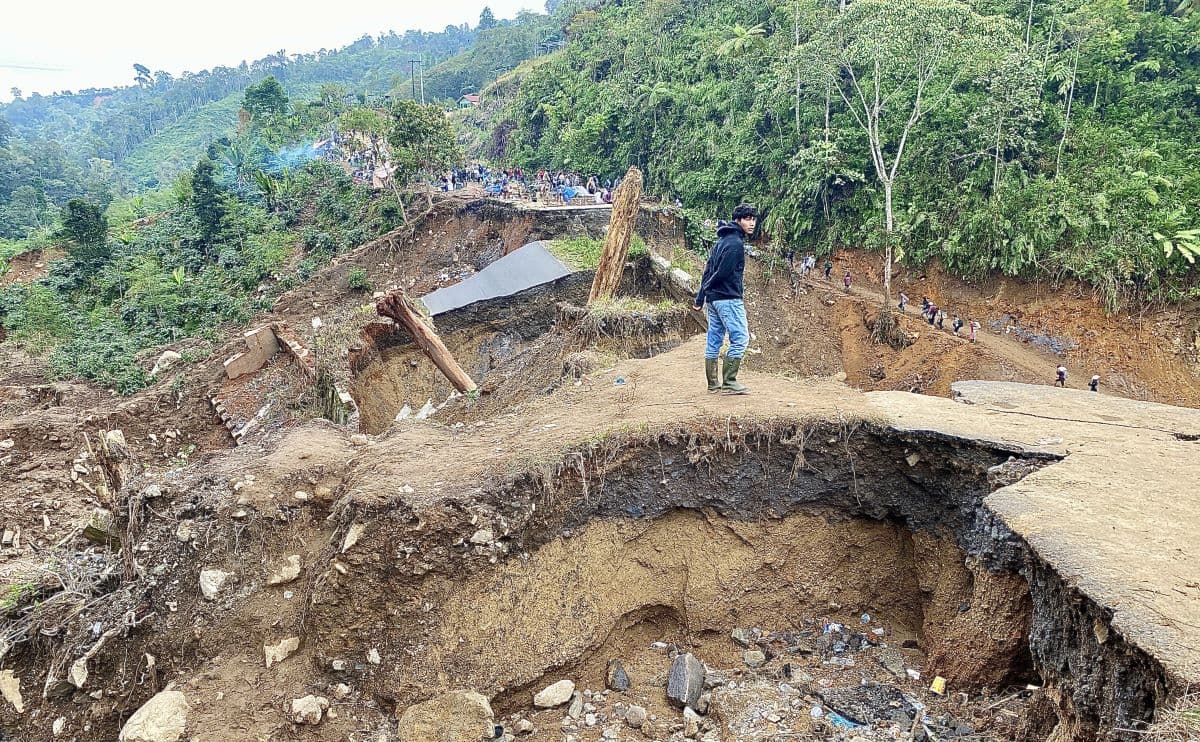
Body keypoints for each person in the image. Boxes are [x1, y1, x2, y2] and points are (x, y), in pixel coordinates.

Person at [694, 204, 756, 395]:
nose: (751, 223)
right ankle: (730, 381)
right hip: (728, 297)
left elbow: (707, 270)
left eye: (753, 219)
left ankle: (713, 383)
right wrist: (708, 287)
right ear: (738, 220)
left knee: (714, 338)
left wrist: (701, 298)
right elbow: (721, 273)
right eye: (747, 219)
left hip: (713, 300)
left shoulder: (721, 242)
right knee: (741, 338)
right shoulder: (735, 244)